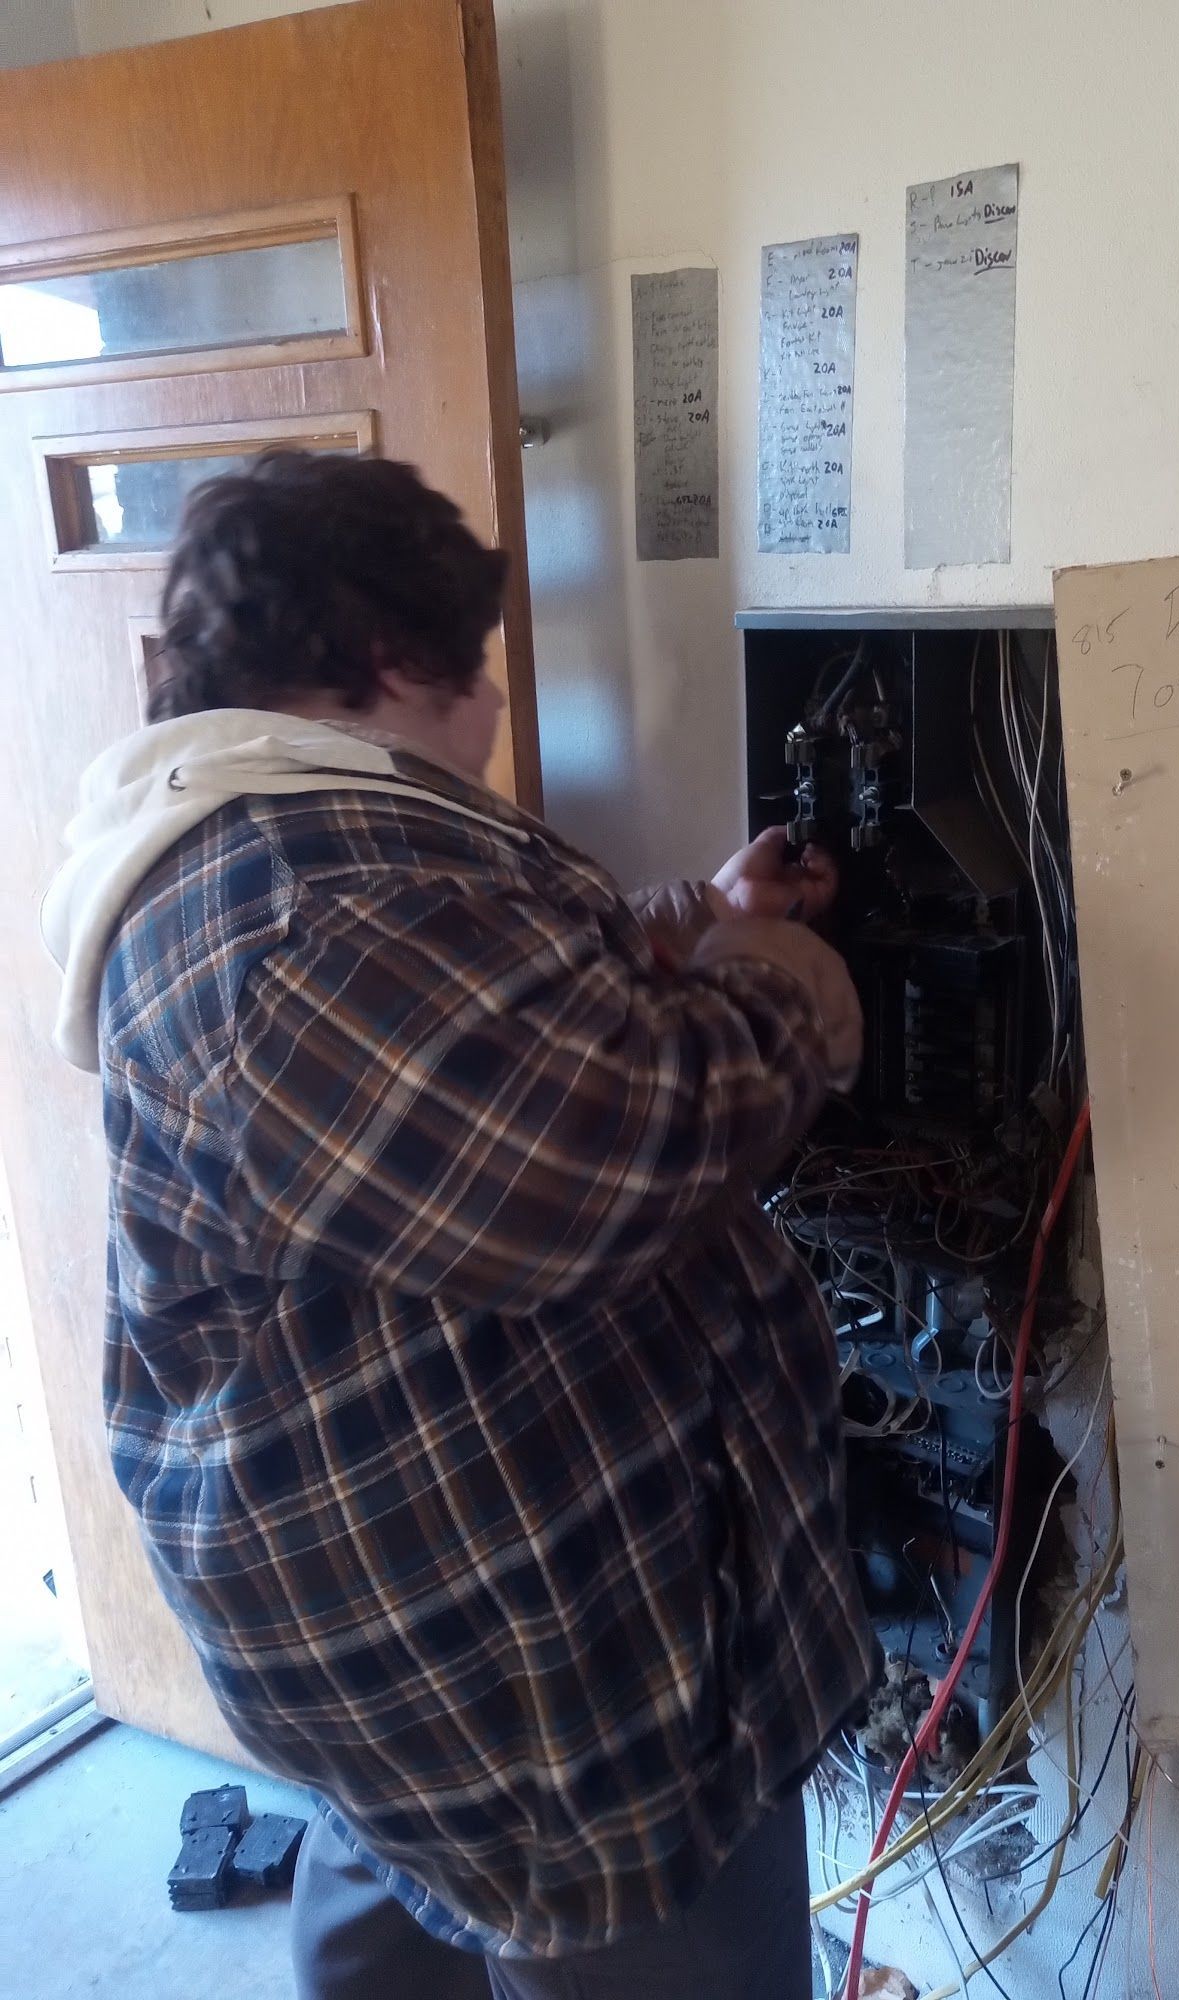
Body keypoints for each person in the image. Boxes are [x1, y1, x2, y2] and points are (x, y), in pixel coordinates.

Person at [42, 453, 880, 2000]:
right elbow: (591, 1160)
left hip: (398, 1627)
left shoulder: (294, 839)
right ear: (392, 664)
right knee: (623, 1935)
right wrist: (785, 995)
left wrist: (696, 914)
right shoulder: (297, 916)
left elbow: (468, 1015)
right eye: (477, 666)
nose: (491, 704)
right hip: (530, 1675)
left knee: (403, 1870)